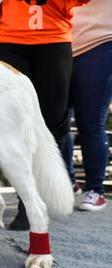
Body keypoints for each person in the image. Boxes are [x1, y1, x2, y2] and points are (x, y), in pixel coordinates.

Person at [0, 0, 89, 230]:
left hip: (54, 39)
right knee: (13, 122)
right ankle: (26, 202)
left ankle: (45, 195)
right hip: (9, 39)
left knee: (53, 121)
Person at [69, 0, 112, 211]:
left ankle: (95, 190)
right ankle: (68, 182)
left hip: (101, 42)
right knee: (55, 120)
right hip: (59, 42)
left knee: (91, 122)